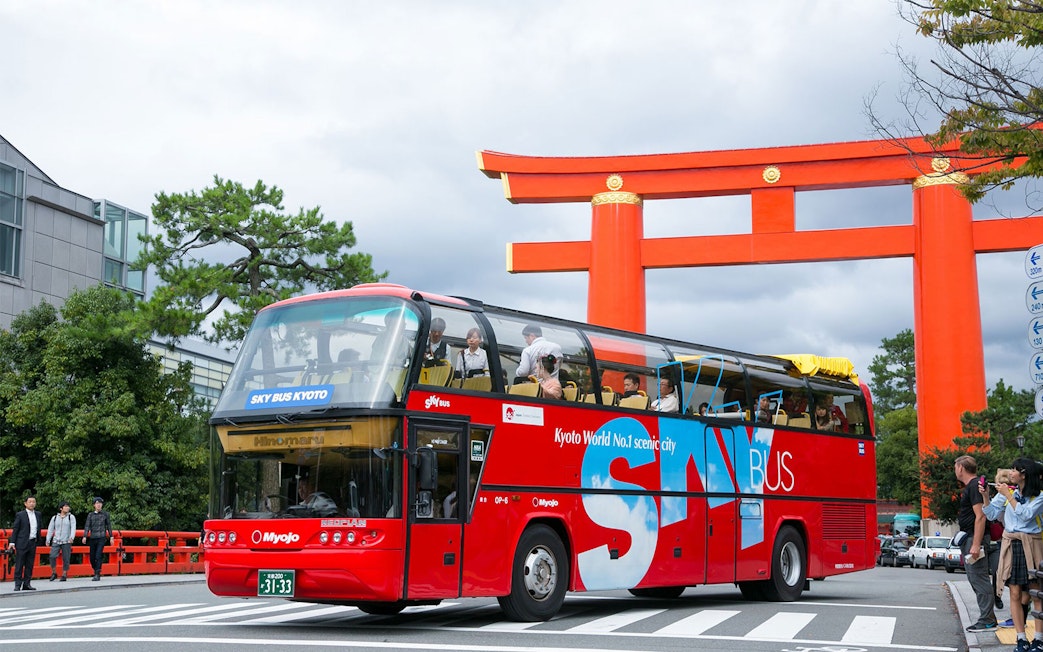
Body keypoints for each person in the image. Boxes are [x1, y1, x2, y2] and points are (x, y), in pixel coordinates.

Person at [981, 458, 1043, 650]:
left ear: (1024, 474)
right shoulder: (1008, 492)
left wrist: (1008, 496)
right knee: (1014, 592)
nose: (1011, 473)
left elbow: (1026, 515)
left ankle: (1039, 639)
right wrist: (986, 496)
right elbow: (990, 515)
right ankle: (1021, 638)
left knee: (1036, 593)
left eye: (1015, 470)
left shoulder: (1039, 497)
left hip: (1032, 545)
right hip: (1012, 545)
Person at [955, 455, 999, 633]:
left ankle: (987, 620)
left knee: (979, 578)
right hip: (972, 537)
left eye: (955, 467)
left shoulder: (973, 487)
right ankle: (988, 617)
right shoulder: (974, 486)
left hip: (975, 538)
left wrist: (976, 544)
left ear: (960, 468)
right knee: (975, 578)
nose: (955, 471)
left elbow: (980, 516)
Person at [8, 495, 41, 591]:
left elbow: (39, 527)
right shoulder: (20, 515)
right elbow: (16, 529)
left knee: (29, 564)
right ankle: (17, 584)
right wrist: (12, 542)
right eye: (30, 502)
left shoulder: (38, 514)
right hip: (22, 542)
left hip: (32, 541)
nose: (32, 503)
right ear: (25, 503)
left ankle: (27, 583)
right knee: (19, 563)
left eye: (33, 502)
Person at [82, 497, 113, 581]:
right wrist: (84, 536)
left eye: (100, 503)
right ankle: (96, 569)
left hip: (101, 537)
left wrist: (111, 537)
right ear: (94, 505)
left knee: (98, 555)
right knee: (92, 557)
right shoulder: (90, 515)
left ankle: (97, 573)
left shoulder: (105, 514)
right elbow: (87, 526)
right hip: (92, 537)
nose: (98, 505)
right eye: (97, 503)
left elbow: (109, 526)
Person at [45, 501, 76, 582]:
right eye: (65, 506)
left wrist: (72, 537)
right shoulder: (55, 517)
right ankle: (54, 572)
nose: (67, 508)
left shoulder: (71, 517)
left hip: (66, 540)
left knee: (66, 558)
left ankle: (64, 574)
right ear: (61, 508)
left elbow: (73, 528)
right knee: (52, 556)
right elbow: (51, 529)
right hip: (56, 540)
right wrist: (48, 539)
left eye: (68, 506)